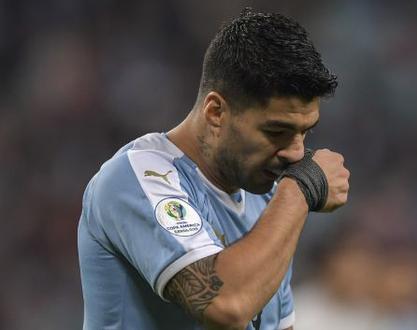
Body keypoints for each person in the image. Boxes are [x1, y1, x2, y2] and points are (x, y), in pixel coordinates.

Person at [77, 8, 350, 330]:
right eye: (276, 132)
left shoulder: (270, 199)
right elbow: (226, 306)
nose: (296, 153)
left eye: (305, 132)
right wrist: (302, 188)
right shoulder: (138, 176)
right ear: (216, 111)